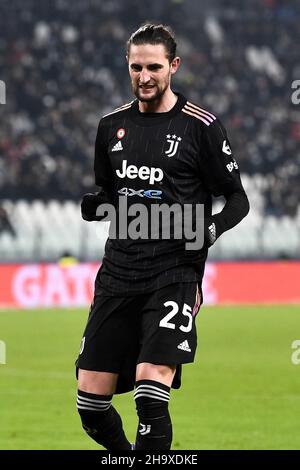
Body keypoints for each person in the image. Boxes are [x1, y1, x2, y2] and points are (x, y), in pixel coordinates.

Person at [76, 23, 249, 450]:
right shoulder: (110, 125)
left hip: (174, 272)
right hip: (117, 272)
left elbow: (238, 199)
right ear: (128, 67)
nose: (144, 76)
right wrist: (97, 205)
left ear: (174, 66)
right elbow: (111, 194)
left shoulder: (201, 126)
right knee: (90, 406)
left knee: (150, 394)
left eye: (154, 66)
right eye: (136, 67)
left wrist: (212, 228)